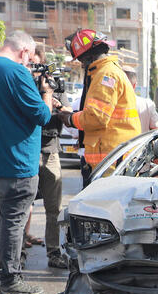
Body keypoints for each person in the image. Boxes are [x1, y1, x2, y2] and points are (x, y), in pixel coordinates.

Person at [0, 31, 54, 294]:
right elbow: (42, 115)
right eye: (29, 57)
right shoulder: (17, 73)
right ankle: (11, 279)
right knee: (14, 223)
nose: (29, 62)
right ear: (24, 52)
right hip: (17, 161)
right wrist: (48, 93)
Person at [59, 28, 140, 187]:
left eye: (81, 60)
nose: (81, 65)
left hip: (111, 164)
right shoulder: (106, 72)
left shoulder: (105, 75)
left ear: (89, 56)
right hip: (112, 161)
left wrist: (69, 118)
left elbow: (96, 118)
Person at [30, 45, 68, 269]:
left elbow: (68, 114)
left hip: (50, 149)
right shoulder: (23, 84)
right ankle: (18, 248)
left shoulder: (54, 85)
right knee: (23, 204)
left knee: (53, 207)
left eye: (37, 65)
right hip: (29, 150)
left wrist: (56, 102)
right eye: (30, 65)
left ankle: (54, 252)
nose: (35, 71)